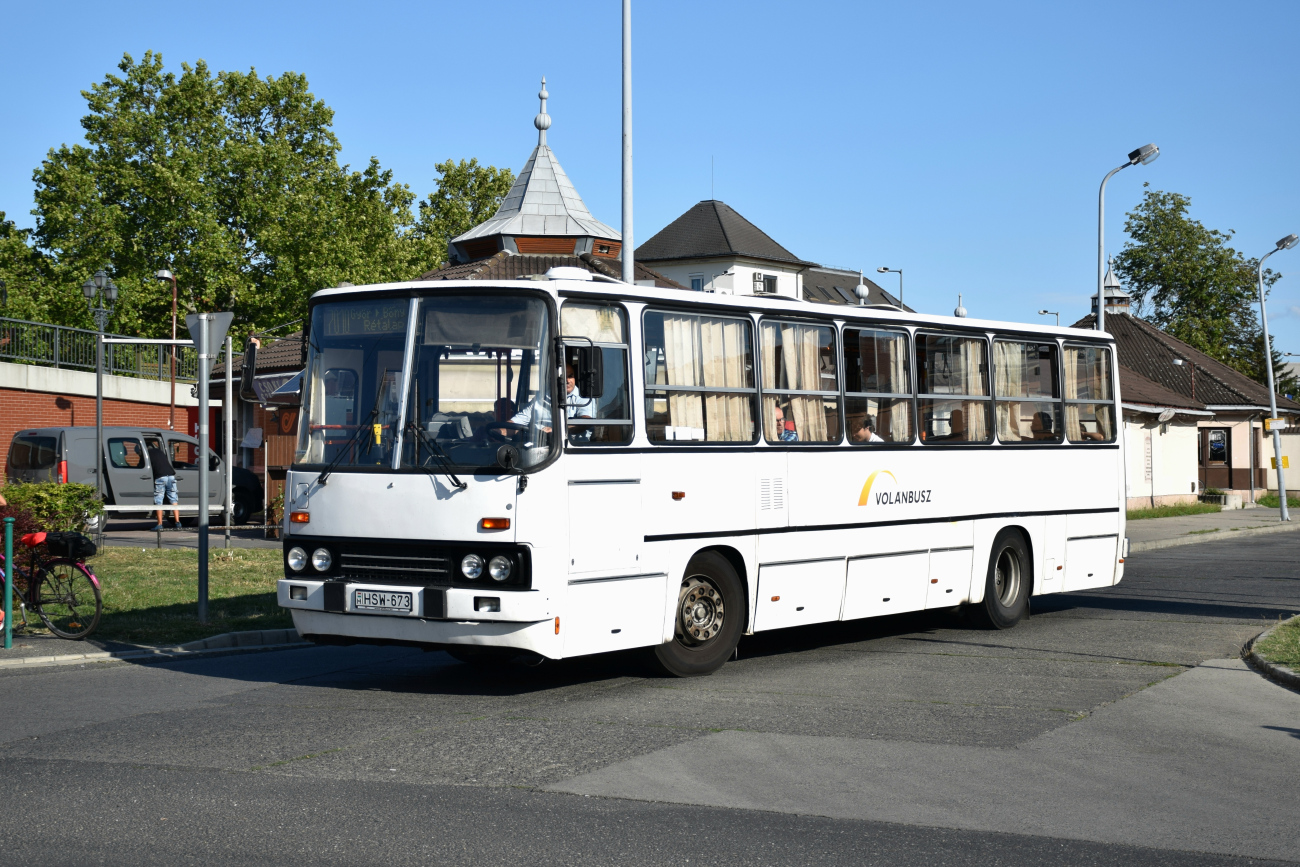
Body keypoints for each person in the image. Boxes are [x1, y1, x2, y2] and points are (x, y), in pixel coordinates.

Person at [510, 364, 592, 438]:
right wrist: (499, 430)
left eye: (570, 376)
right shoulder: (540, 398)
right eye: (563, 377)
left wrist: (556, 430)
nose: (567, 381)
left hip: (572, 448)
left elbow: (584, 422)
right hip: (539, 444)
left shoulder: (583, 397)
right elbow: (516, 421)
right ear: (553, 379)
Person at [145, 438, 180, 530]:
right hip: (171, 475)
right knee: (173, 499)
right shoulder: (160, 452)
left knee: (158, 500)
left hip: (160, 477)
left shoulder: (147, 454)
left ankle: (160, 524)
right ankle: (177, 522)